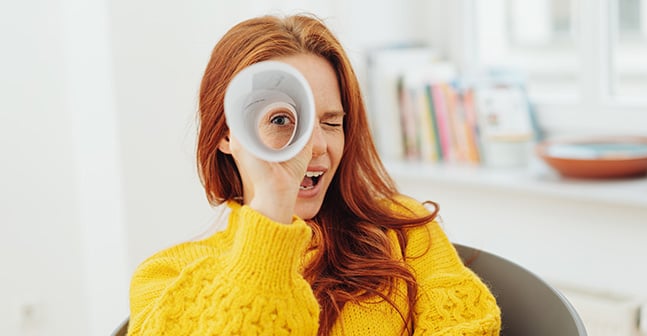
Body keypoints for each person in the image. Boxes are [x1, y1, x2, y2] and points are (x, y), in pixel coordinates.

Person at [128, 14, 501, 335]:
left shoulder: (404, 229)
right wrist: (271, 210)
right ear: (228, 134)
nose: (316, 146)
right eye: (281, 120)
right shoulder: (165, 276)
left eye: (331, 122)